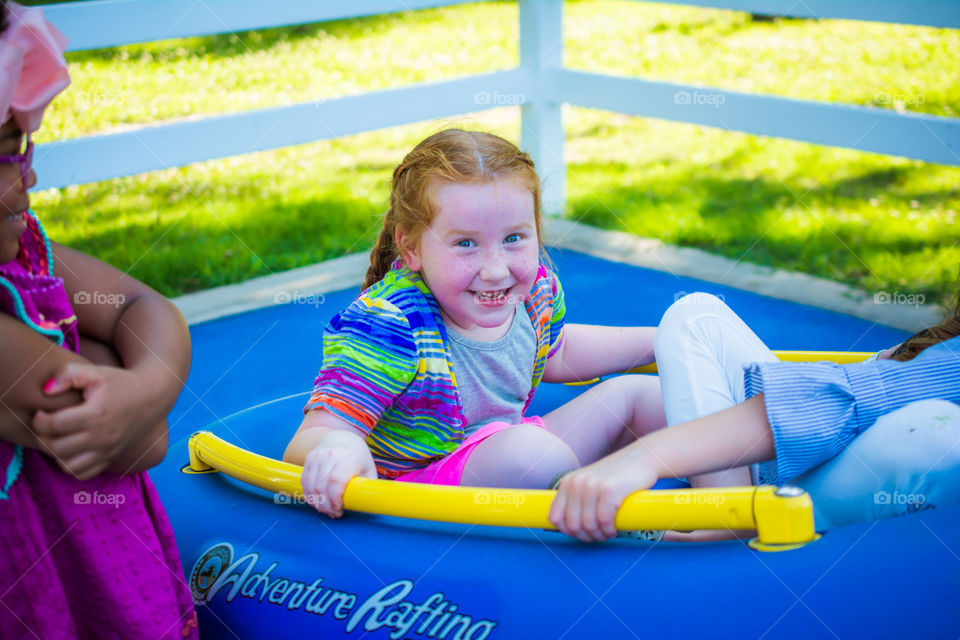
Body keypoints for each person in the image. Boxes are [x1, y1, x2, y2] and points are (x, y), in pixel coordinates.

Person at [284, 129, 666, 517]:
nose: (496, 269)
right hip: (424, 494)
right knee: (530, 454)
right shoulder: (392, 324)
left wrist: (664, 340)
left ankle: (719, 516)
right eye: (465, 243)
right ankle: (611, 519)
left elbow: (559, 351)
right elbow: (313, 435)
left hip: (515, 458)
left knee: (639, 395)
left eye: (514, 238)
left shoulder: (533, 292)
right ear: (411, 247)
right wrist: (340, 447)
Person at [0, 3, 198, 637]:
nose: (29, 168)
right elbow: (145, 442)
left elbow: (148, 307)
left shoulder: (28, 251)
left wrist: (137, 387)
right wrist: (130, 378)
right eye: (8, 152)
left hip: (107, 575)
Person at [550, 288, 960, 542]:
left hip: (810, 467)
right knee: (646, 380)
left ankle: (716, 521)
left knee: (692, 316)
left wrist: (642, 459)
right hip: (824, 450)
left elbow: (848, 398)